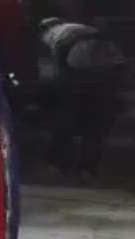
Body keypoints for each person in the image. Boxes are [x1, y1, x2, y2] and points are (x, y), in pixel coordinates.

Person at [38, 18, 128, 178]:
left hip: (78, 71)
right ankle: (87, 168)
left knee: (65, 121)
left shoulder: (51, 34)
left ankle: (59, 164)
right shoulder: (81, 28)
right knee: (95, 125)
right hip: (106, 67)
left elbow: (55, 72)